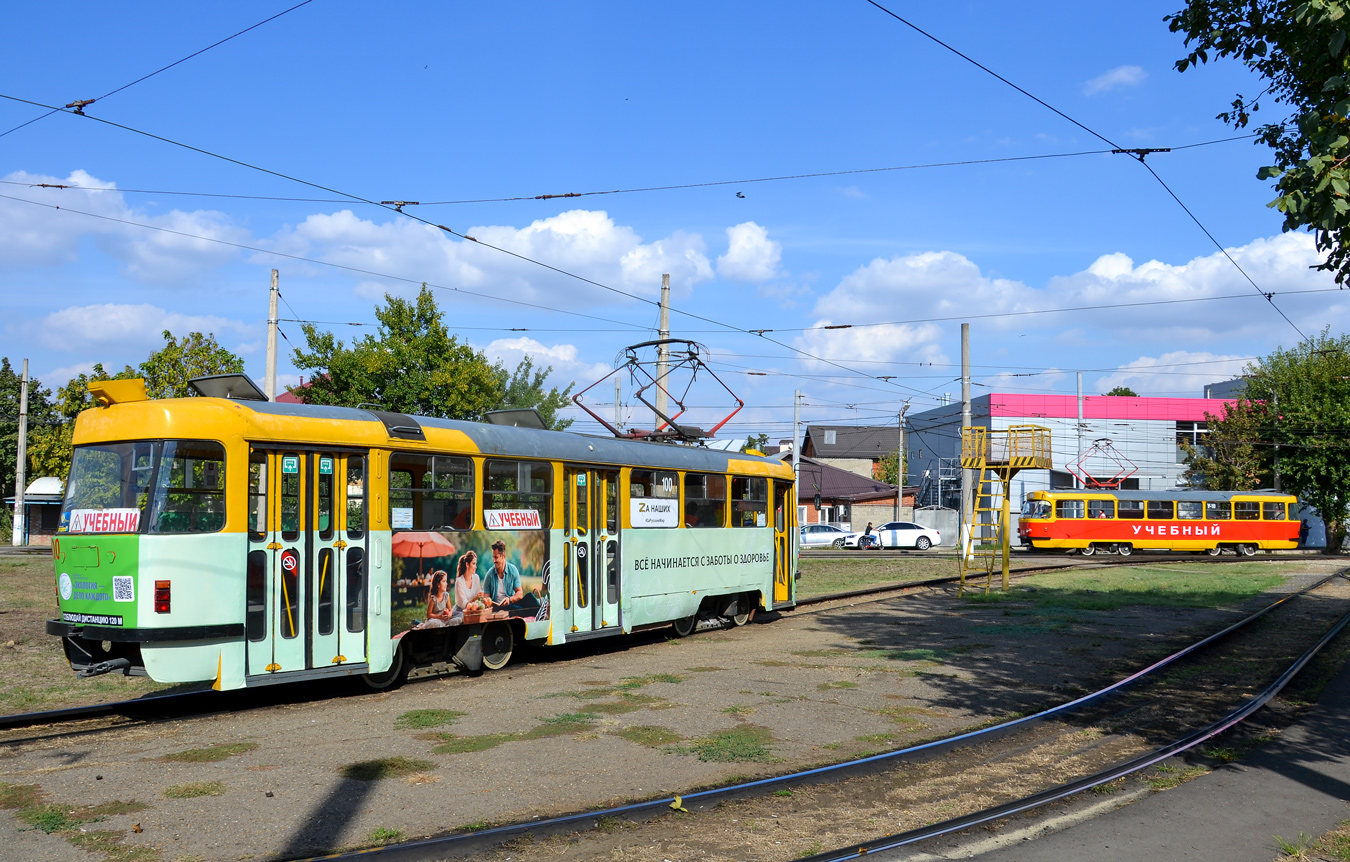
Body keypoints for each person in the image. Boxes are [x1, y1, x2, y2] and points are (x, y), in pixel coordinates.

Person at [450, 550, 487, 624]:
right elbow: (465, 605)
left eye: (476, 564)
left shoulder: (476, 578)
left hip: (473, 610)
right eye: (473, 564)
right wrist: (476, 597)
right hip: (460, 613)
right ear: (467, 564)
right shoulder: (459, 582)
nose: (475, 567)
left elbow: (477, 601)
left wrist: (481, 598)